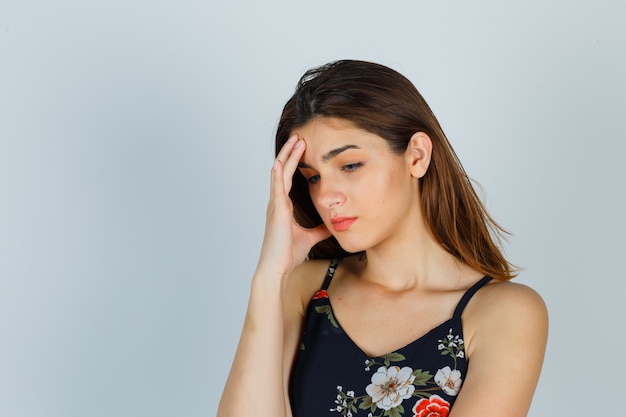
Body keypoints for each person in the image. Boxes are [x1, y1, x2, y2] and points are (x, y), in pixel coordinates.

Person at [217, 60, 548, 417]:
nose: (326, 196)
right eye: (313, 177)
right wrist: (269, 276)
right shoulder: (304, 289)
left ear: (417, 156)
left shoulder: (504, 313)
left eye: (350, 165)